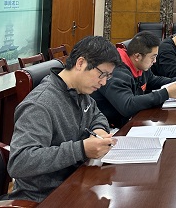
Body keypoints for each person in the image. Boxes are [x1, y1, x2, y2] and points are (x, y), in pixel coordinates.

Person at [7, 36, 121, 203]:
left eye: (108, 76)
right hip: (44, 198)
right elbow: (20, 162)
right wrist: (81, 150)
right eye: (102, 74)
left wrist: (99, 131)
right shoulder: (39, 104)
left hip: (75, 183)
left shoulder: (80, 91)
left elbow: (96, 115)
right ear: (80, 63)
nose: (103, 82)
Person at [91, 31, 176, 128]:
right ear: (137, 56)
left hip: (131, 120)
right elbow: (127, 105)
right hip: (109, 127)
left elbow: (153, 80)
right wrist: (166, 93)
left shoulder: (140, 66)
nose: (154, 61)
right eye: (153, 57)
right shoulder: (116, 72)